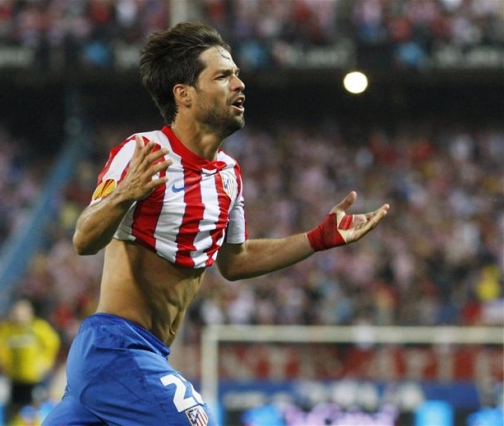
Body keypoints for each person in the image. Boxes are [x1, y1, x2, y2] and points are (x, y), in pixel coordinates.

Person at [43, 22, 389, 426]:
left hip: (146, 354)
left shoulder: (228, 174)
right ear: (184, 94)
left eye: (237, 74)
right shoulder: (143, 152)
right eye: (223, 76)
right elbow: (84, 239)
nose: (239, 84)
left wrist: (316, 239)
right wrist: (124, 195)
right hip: (115, 349)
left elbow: (235, 262)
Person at [0, 298, 60, 423]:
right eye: (17, 313)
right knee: (15, 405)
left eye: (22, 313)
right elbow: (1, 348)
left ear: (30, 313)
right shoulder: (6, 329)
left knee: (34, 405)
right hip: (15, 375)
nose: (19, 316)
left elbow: (53, 343)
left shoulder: (38, 328)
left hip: (34, 376)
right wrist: (4, 363)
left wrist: (46, 361)